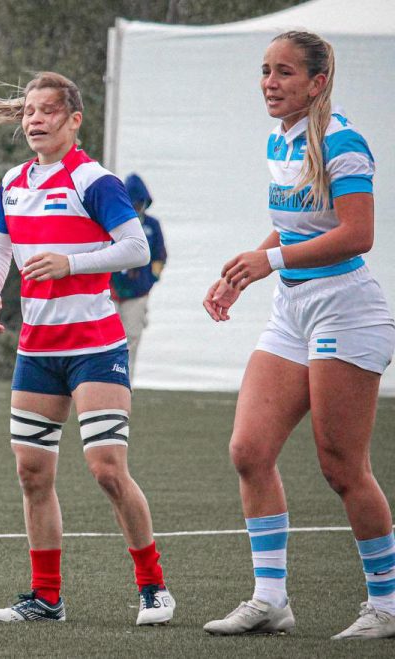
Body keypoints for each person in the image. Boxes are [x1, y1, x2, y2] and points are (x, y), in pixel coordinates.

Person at [202, 31, 395, 640]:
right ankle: (270, 601)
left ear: (316, 83)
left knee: (342, 466)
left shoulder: (343, 140)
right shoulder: (279, 138)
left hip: (347, 310)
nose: (269, 82)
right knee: (248, 450)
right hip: (293, 309)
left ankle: (387, 605)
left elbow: (356, 234)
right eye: (265, 71)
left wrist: (274, 262)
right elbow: (292, 225)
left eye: (284, 72)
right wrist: (245, 271)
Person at [0, 72, 175, 626]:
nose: (34, 119)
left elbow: (133, 247)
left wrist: (71, 262)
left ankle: (153, 587)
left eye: (48, 111)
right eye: (29, 111)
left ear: (74, 120)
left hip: (94, 345)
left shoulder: (94, 180)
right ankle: (46, 599)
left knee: (106, 468)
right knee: (33, 474)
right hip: (37, 350)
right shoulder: (13, 180)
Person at [110, 173, 167, 381]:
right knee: (106, 338)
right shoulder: (112, 222)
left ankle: (126, 383)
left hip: (138, 292)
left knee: (131, 338)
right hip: (111, 290)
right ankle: (106, 382)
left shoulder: (152, 224)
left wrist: (151, 280)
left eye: (139, 203)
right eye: (132, 203)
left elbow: (160, 255)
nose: (136, 207)